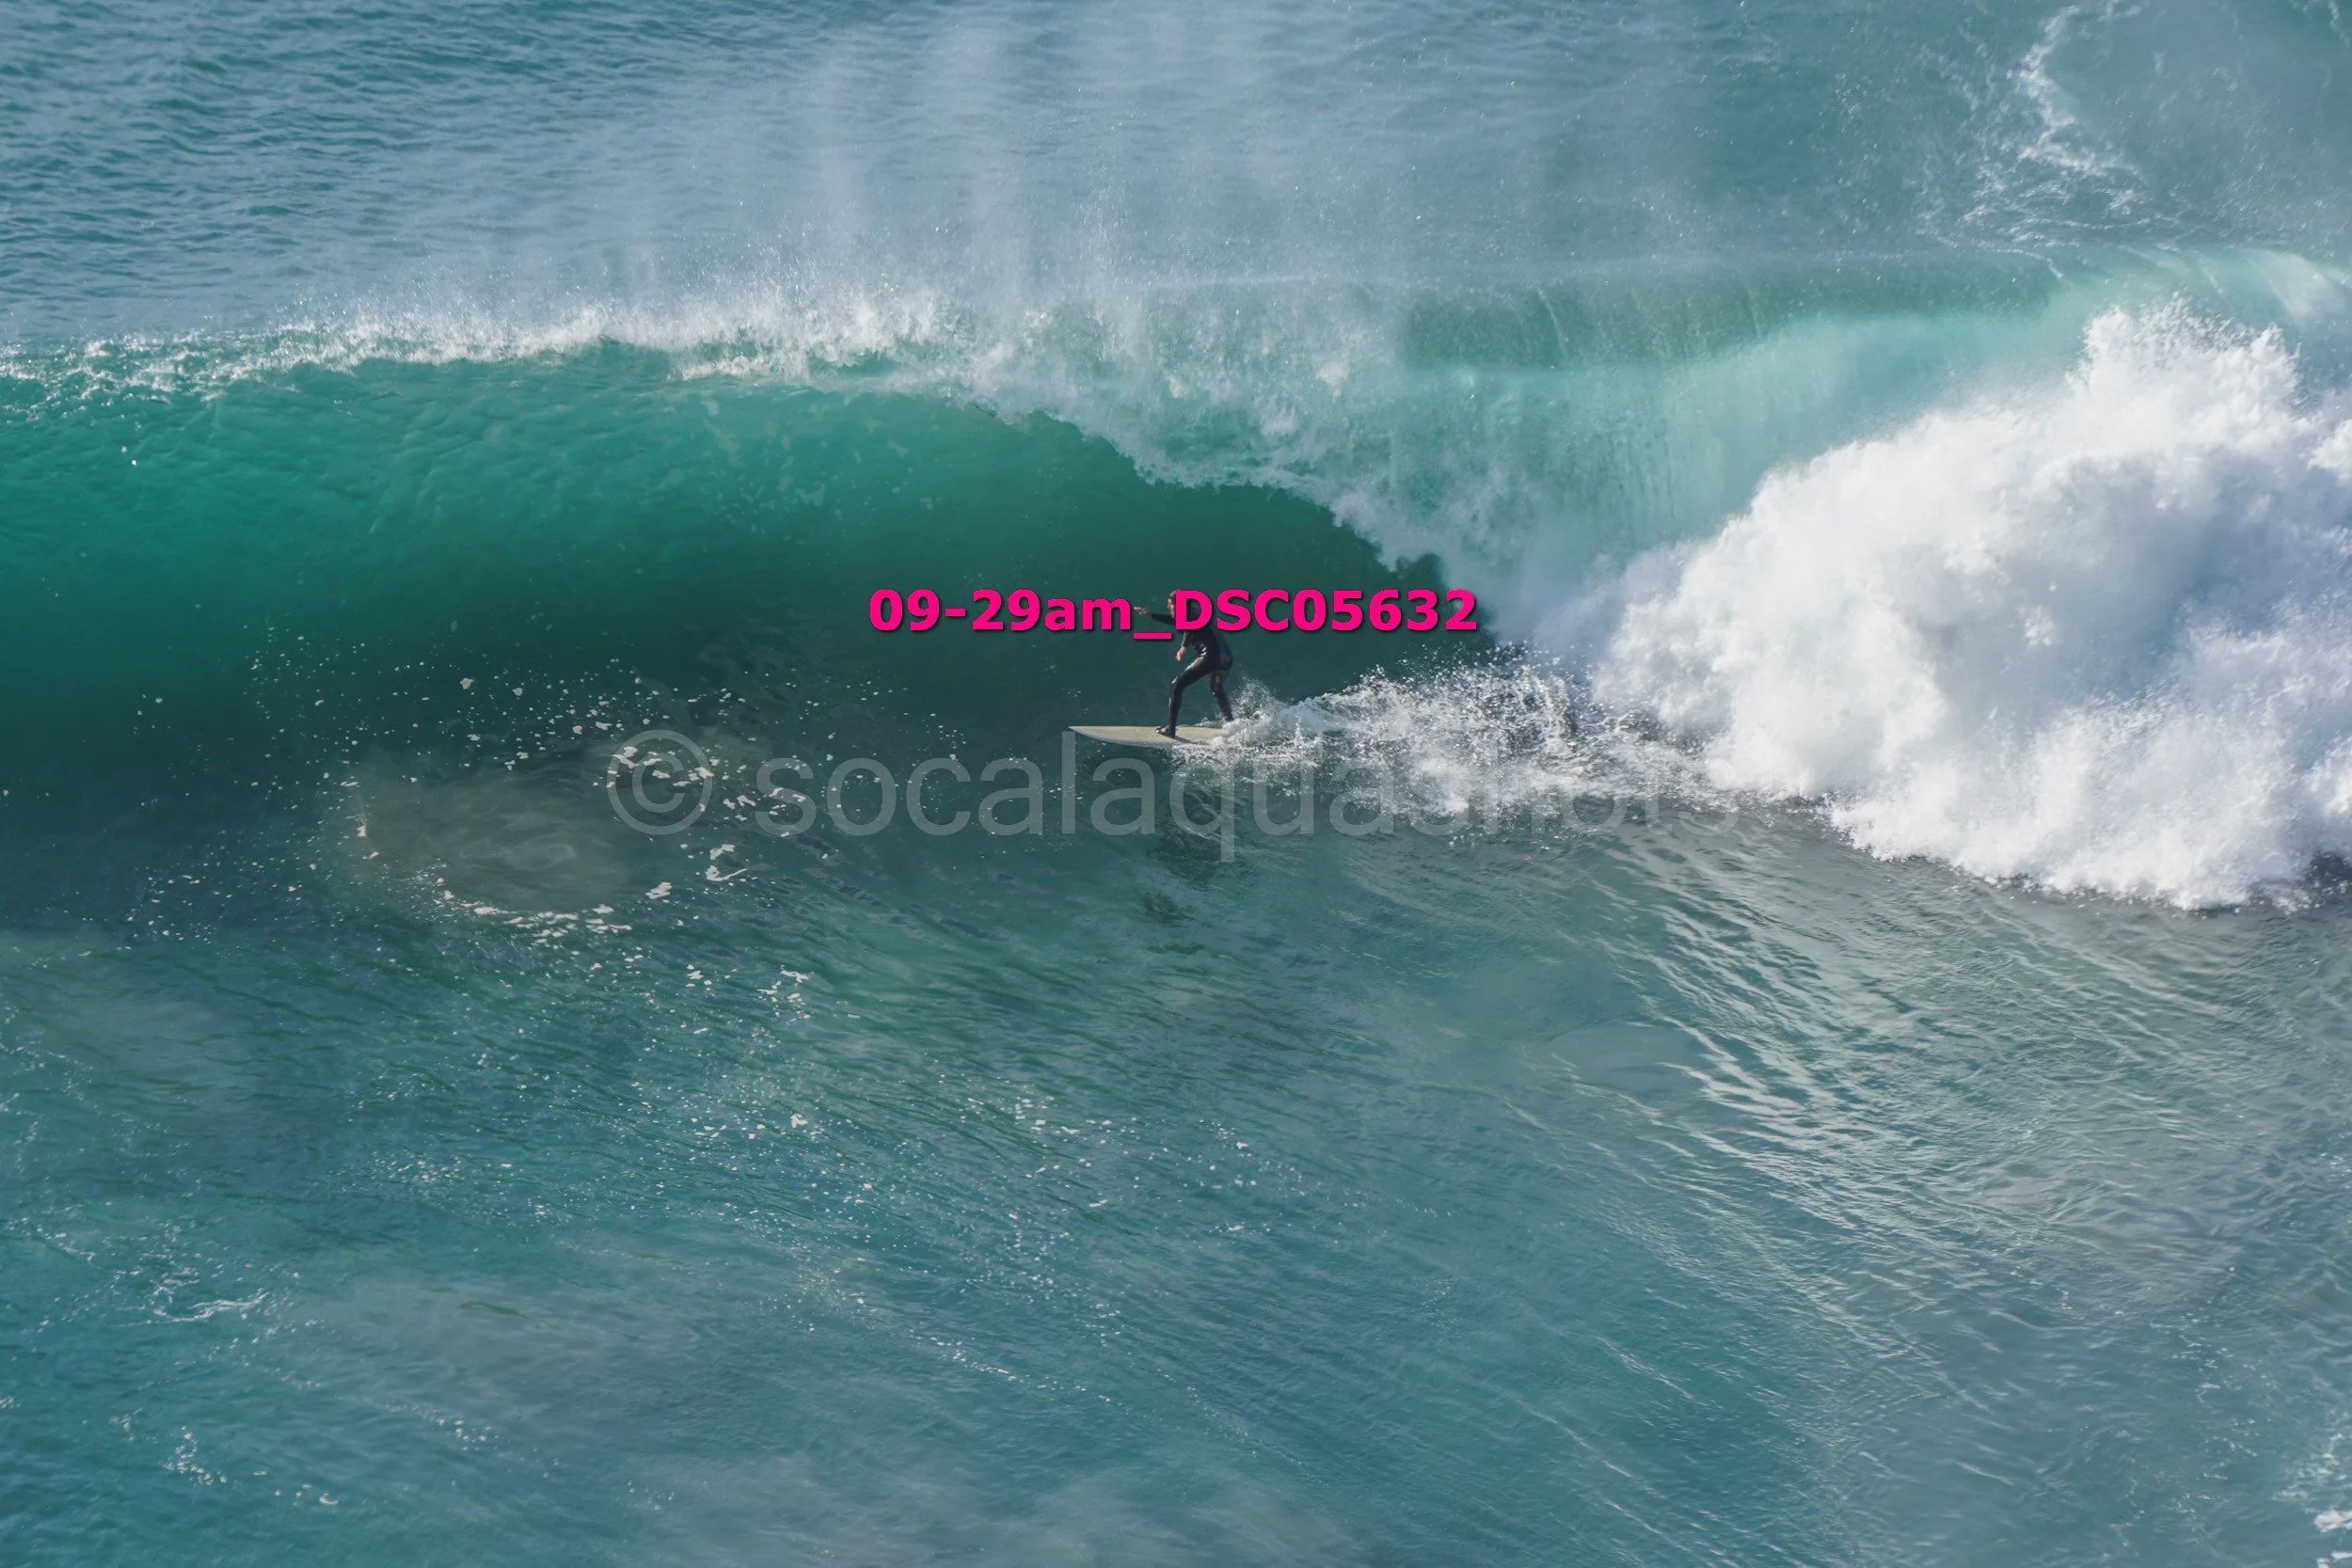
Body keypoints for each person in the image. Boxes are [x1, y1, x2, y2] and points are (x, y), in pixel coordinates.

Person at [1143, 594, 1233, 736]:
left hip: (1210, 656)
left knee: (1176, 685)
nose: (1168, 607)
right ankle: (1231, 723)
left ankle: (1170, 729)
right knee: (1216, 687)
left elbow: (1189, 627)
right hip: (1226, 658)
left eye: (1170, 604)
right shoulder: (1195, 612)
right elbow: (1178, 621)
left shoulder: (1189, 617)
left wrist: (1183, 646)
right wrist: (1152, 615)